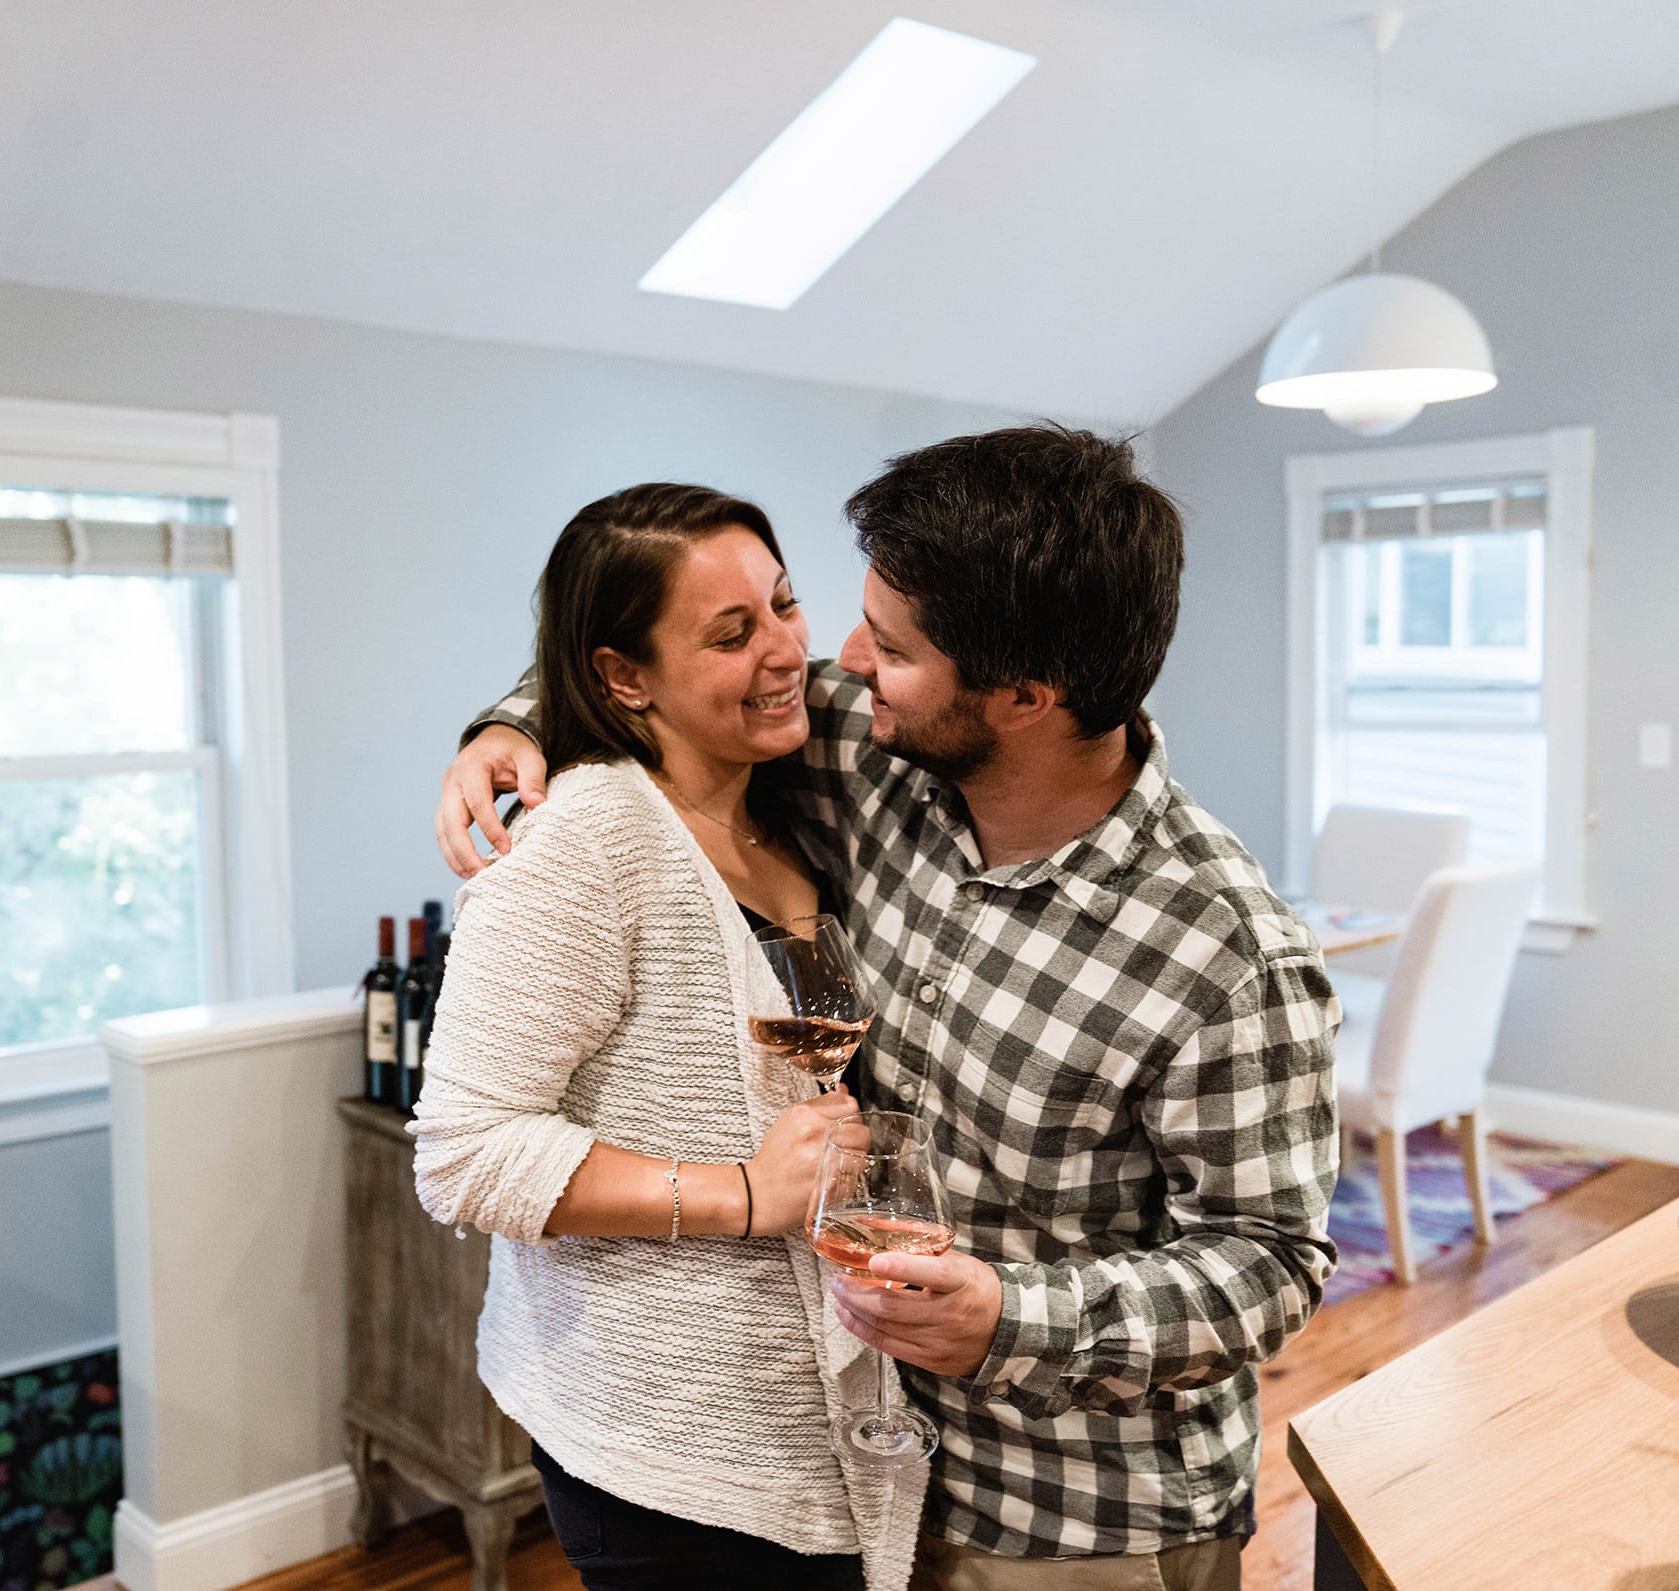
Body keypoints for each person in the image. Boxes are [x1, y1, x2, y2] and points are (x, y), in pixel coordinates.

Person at [437, 426, 1339, 1591]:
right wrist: (509, 726)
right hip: (863, 1471)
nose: (842, 659)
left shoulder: (1225, 953)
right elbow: (651, 669)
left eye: (894, 645)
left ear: (1023, 695)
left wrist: (1011, 1317)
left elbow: (1268, 1262)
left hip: (1077, 1520)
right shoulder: (872, 753)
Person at [409, 482, 925, 1591]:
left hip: (810, 1425)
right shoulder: (585, 840)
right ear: (622, 677)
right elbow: (462, 1153)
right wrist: (745, 1192)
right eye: (732, 634)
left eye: (785, 605)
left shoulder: (785, 808)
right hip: (664, 1448)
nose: (787, 650)